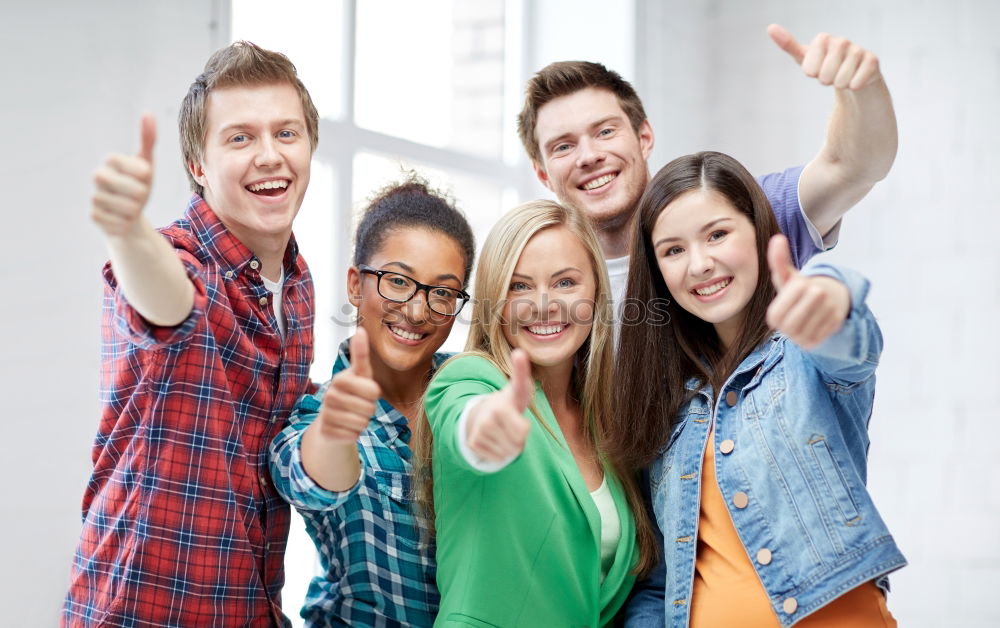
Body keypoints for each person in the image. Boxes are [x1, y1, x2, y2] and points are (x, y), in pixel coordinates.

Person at [65, 42, 319, 627]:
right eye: (240, 138)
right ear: (199, 166)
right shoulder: (181, 258)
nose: (269, 156)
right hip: (140, 609)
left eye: (287, 133)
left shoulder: (298, 285)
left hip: (248, 605)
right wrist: (126, 232)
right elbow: (168, 303)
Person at [616, 151, 906, 626]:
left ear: (757, 231)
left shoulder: (805, 354)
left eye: (717, 234)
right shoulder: (667, 404)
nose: (700, 264)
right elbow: (660, 582)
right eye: (673, 250)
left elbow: (851, 341)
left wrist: (830, 294)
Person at [517, 25, 897, 312]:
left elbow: (851, 167)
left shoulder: (740, 215)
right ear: (543, 174)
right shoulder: (548, 290)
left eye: (605, 131)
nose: (588, 156)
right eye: (564, 146)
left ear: (644, 137)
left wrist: (861, 91)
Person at [415, 200, 657, 627]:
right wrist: (486, 431)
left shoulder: (607, 422)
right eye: (520, 286)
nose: (544, 304)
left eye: (565, 282)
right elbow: (464, 419)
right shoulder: (472, 378)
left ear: (596, 292)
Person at [269, 177, 475, 626]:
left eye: (442, 292)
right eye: (398, 281)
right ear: (356, 285)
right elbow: (308, 476)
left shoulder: (475, 392)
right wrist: (336, 434)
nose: (418, 311)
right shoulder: (320, 413)